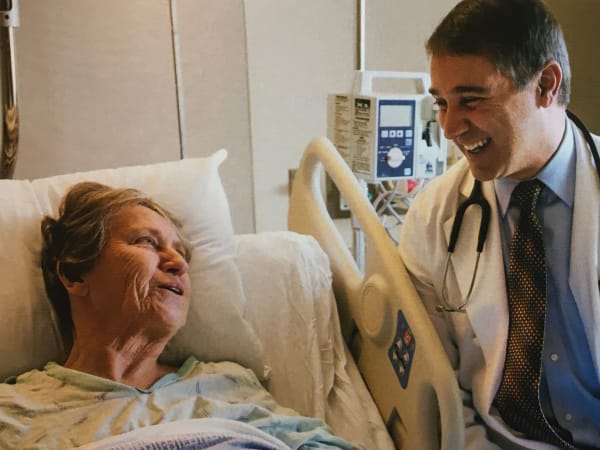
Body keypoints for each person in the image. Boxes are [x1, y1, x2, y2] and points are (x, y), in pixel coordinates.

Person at [0, 181, 357, 450]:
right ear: (75, 275)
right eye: (146, 242)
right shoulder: (14, 409)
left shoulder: (228, 386)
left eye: (182, 251)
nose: (178, 263)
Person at [398, 0, 600, 448]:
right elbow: (436, 385)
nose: (449, 127)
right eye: (442, 103)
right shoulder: (435, 215)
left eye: (471, 100)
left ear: (546, 85)